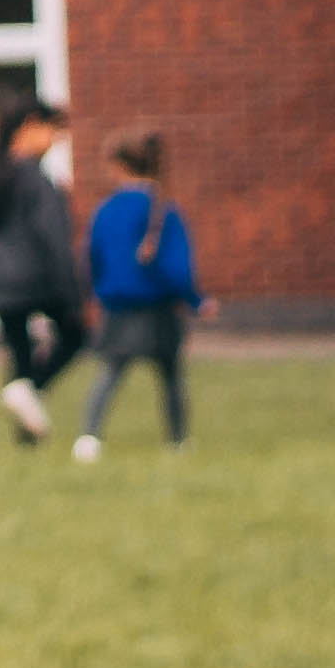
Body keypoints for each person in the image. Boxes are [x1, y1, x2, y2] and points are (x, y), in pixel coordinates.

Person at [0, 98, 88, 441]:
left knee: (19, 354)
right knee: (75, 334)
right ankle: (30, 395)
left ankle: (26, 433)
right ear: (30, 126)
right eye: (53, 132)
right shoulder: (34, 177)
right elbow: (53, 235)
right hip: (37, 278)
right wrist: (74, 289)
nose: (54, 142)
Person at [75, 132, 200, 458]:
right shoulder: (162, 209)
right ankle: (178, 439)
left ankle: (89, 436)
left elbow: (92, 258)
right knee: (171, 376)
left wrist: (93, 293)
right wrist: (194, 299)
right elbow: (178, 266)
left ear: (120, 167)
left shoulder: (107, 211)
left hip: (119, 306)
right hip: (159, 307)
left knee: (111, 372)